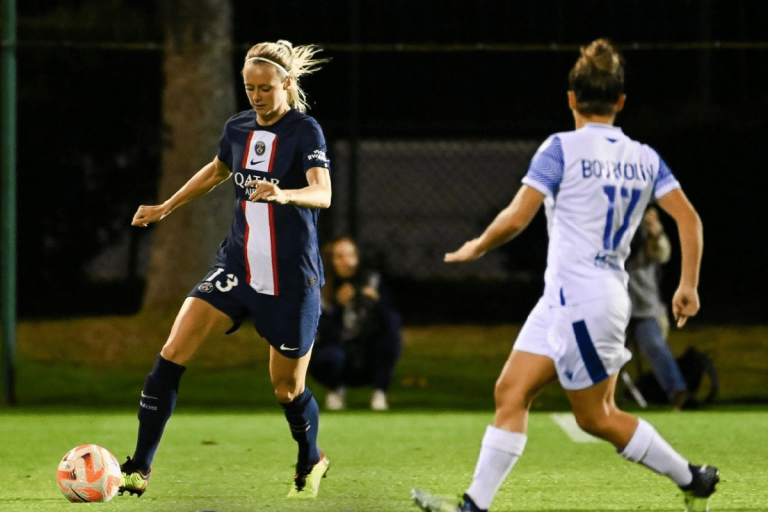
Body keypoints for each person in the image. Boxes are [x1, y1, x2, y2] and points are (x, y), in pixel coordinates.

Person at [412, 39, 718, 512]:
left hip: (583, 302)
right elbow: (690, 219)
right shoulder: (645, 157)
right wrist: (687, 285)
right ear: (620, 102)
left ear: (571, 99)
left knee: (598, 417)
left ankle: (691, 477)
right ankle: (474, 506)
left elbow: (516, 217)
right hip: (570, 298)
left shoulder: (560, 148)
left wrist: (477, 245)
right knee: (510, 392)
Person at [120, 40, 333, 499]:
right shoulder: (237, 126)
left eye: (265, 88)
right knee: (172, 352)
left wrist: (284, 194)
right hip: (236, 266)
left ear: (287, 84)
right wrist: (167, 207)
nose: (256, 96)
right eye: (249, 87)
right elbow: (217, 171)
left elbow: (324, 194)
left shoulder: (305, 131)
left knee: (286, 390)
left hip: (290, 281)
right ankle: (138, 468)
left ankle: (311, 456)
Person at [308, 236, 403, 411]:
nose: (348, 262)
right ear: (330, 261)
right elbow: (319, 334)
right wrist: (336, 307)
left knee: (391, 325)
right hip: (337, 355)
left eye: (352, 255)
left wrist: (374, 303)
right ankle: (336, 389)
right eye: (341, 257)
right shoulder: (319, 287)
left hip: (367, 355)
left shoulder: (372, 281)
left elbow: (390, 319)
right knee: (329, 356)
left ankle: (379, 391)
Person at [626, 206, 690, 410]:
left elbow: (663, 254)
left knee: (653, 343)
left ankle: (678, 392)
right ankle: (589, 395)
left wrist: (655, 232)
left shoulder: (643, 225)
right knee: (600, 351)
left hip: (644, 308)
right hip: (612, 307)